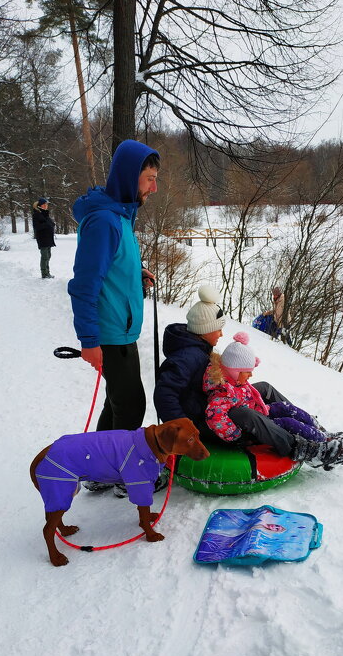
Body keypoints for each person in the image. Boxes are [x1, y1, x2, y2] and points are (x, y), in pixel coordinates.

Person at [68, 139, 159, 495]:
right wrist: (89, 342)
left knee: (118, 400)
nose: (154, 186)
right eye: (149, 178)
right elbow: (84, 285)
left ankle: (96, 469)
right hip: (109, 333)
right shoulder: (104, 221)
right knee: (131, 403)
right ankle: (120, 473)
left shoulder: (120, 214)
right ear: (129, 176)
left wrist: (135, 272)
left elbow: (112, 266)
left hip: (121, 330)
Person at [203, 332, 343, 470]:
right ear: (235, 371)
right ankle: (320, 448)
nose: (251, 375)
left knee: (286, 408)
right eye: (248, 371)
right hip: (249, 430)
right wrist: (237, 436)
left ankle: (320, 432)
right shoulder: (223, 393)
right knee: (288, 422)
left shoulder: (235, 381)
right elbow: (214, 415)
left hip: (260, 412)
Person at [153, 284, 226, 442]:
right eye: (218, 329)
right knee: (247, 418)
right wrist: (184, 429)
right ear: (205, 329)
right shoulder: (188, 356)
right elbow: (164, 394)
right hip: (199, 424)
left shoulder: (199, 350)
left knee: (261, 390)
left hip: (209, 414)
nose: (222, 334)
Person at [32, 197, 56, 279]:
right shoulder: (37, 214)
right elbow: (37, 227)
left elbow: (49, 223)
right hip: (43, 238)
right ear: (40, 205)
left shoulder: (45, 213)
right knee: (45, 256)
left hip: (48, 238)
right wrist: (47, 225)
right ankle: (44, 274)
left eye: (47, 204)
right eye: (44, 204)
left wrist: (51, 224)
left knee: (48, 256)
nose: (46, 206)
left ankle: (47, 272)